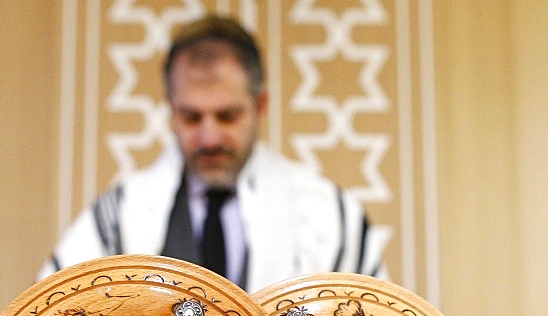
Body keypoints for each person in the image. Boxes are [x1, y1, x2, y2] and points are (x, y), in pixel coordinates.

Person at [39, 15, 390, 293]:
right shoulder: (119, 219)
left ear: (260, 104)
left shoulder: (330, 216)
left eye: (227, 116)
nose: (209, 138)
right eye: (191, 117)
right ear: (171, 109)